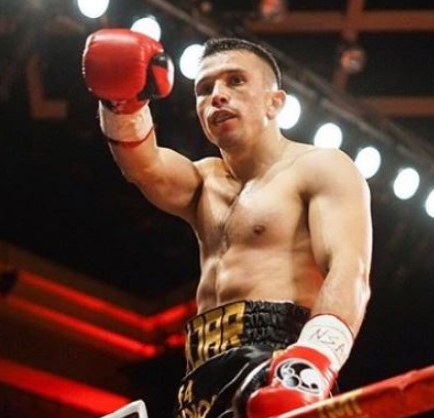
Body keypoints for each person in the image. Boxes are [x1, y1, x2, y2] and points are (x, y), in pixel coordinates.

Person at [82, 29, 372, 418]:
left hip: (277, 357)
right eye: (204, 89)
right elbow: (144, 167)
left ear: (275, 102)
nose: (217, 95)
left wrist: (311, 363)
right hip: (200, 375)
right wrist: (121, 102)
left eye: (235, 80)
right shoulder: (202, 182)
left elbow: (349, 272)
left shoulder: (321, 166)